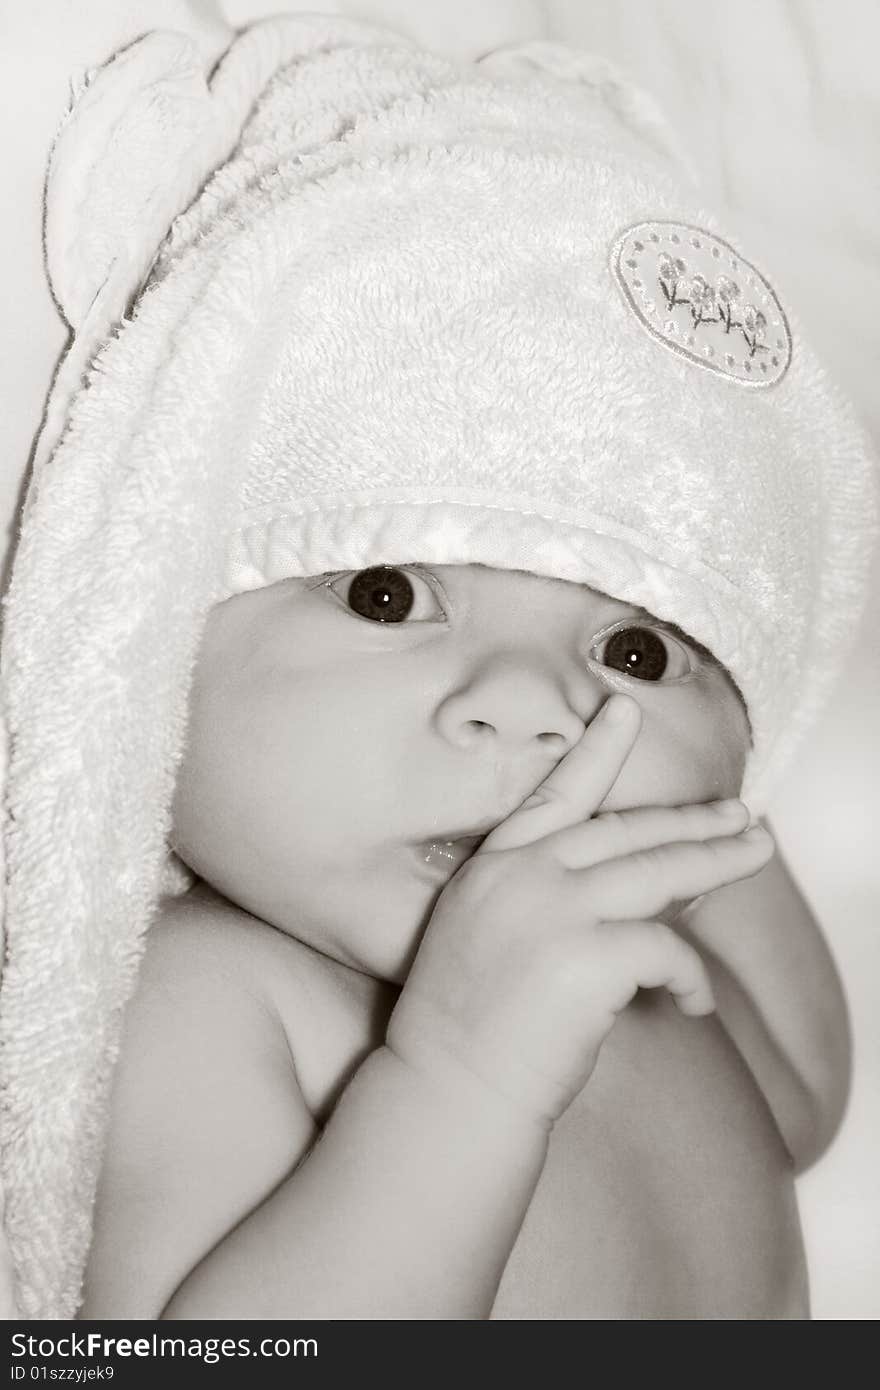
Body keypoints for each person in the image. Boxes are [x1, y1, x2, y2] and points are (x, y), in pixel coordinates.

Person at [1, 12, 873, 1320]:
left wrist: (691, 810)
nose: (537, 708)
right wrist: (461, 1079)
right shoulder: (204, 998)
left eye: (632, 646)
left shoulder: (646, 965)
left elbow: (800, 1101)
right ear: (146, 657)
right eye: (388, 592)